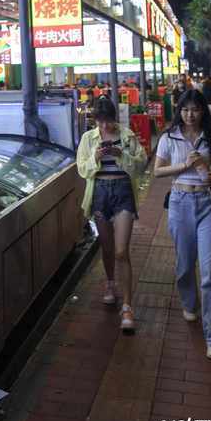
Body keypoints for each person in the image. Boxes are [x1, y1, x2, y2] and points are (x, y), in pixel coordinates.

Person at [154, 89, 211, 360]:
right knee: (185, 265)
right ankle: (189, 302)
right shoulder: (169, 137)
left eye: (195, 109)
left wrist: (210, 173)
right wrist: (184, 165)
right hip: (179, 201)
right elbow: (157, 171)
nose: (190, 114)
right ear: (179, 110)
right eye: (185, 109)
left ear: (202, 110)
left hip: (208, 203)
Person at [76, 96, 148, 333]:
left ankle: (127, 306)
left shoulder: (127, 135)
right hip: (99, 193)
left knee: (121, 250)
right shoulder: (88, 138)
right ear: (95, 120)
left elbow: (142, 164)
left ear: (114, 119)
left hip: (123, 192)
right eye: (100, 121)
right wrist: (95, 158)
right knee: (106, 247)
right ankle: (109, 284)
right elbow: (82, 169)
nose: (105, 126)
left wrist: (121, 155)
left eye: (108, 121)